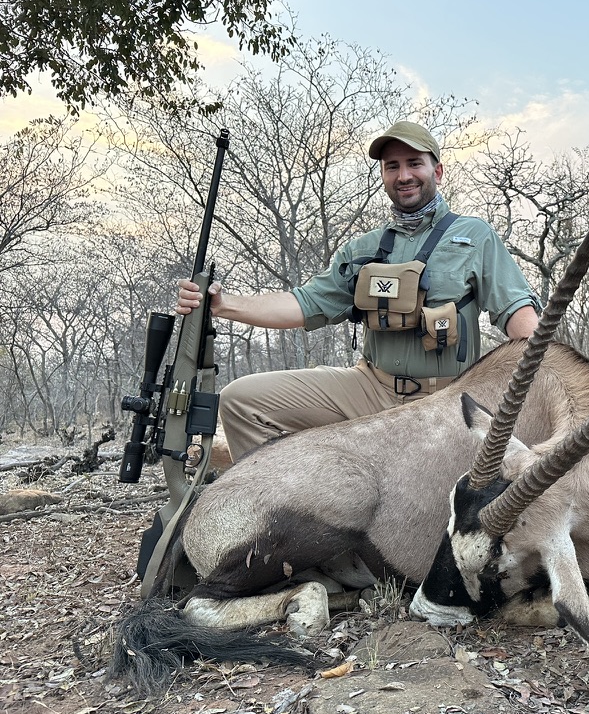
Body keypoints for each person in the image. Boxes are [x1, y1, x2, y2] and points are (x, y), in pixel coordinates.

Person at [176, 121, 540, 462]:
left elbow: (517, 315)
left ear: (437, 171)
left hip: (447, 398)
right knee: (241, 400)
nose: (404, 175)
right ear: (383, 175)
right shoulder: (362, 248)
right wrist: (223, 305)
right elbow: (304, 303)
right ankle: (297, 512)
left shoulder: (474, 237)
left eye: (414, 163)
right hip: (370, 387)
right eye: (392, 166)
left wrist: (547, 377)